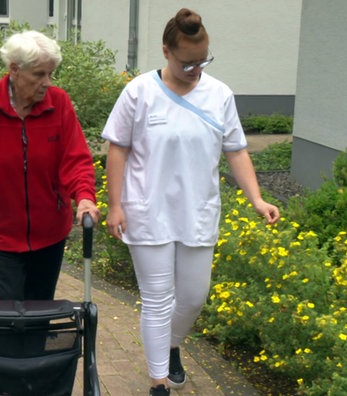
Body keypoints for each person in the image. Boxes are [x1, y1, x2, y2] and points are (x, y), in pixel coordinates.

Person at [101, 8, 280, 396]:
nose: (196, 69)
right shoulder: (140, 92)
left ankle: (170, 345)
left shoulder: (219, 95)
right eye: (187, 62)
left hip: (198, 211)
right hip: (147, 211)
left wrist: (257, 199)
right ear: (166, 51)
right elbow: (117, 148)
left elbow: (236, 151)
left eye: (203, 60)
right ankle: (159, 381)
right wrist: (115, 205)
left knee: (194, 297)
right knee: (157, 299)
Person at [0, 30, 99, 302]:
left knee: (41, 306)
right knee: (8, 305)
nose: (47, 82)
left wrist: (84, 198)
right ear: (14, 70)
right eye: (39, 75)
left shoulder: (59, 103)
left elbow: (76, 159)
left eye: (50, 74)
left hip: (50, 231)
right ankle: (8, 347)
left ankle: (36, 346)